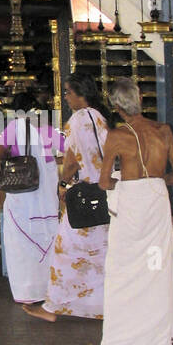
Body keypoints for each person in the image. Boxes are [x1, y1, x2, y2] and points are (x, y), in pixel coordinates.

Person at [87, 79, 173, 345]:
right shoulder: (163, 130)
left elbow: (103, 183)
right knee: (156, 267)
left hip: (132, 209)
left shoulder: (116, 135)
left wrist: (121, 183)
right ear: (139, 100)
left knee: (121, 272)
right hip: (157, 202)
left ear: (115, 106)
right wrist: (159, 180)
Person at [24, 72, 110, 323]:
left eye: (68, 92)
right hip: (103, 192)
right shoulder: (100, 117)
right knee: (99, 254)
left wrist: (62, 183)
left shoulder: (77, 120)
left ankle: (52, 307)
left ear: (79, 93)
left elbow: (71, 160)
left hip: (82, 193)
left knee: (65, 252)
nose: (66, 97)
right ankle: (99, 305)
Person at [0, 91, 63, 304]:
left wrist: (14, 156)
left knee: (20, 241)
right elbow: (70, 149)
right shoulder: (47, 129)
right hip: (46, 197)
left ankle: (26, 291)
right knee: (47, 235)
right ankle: (49, 288)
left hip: (21, 194)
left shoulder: (14, 127)